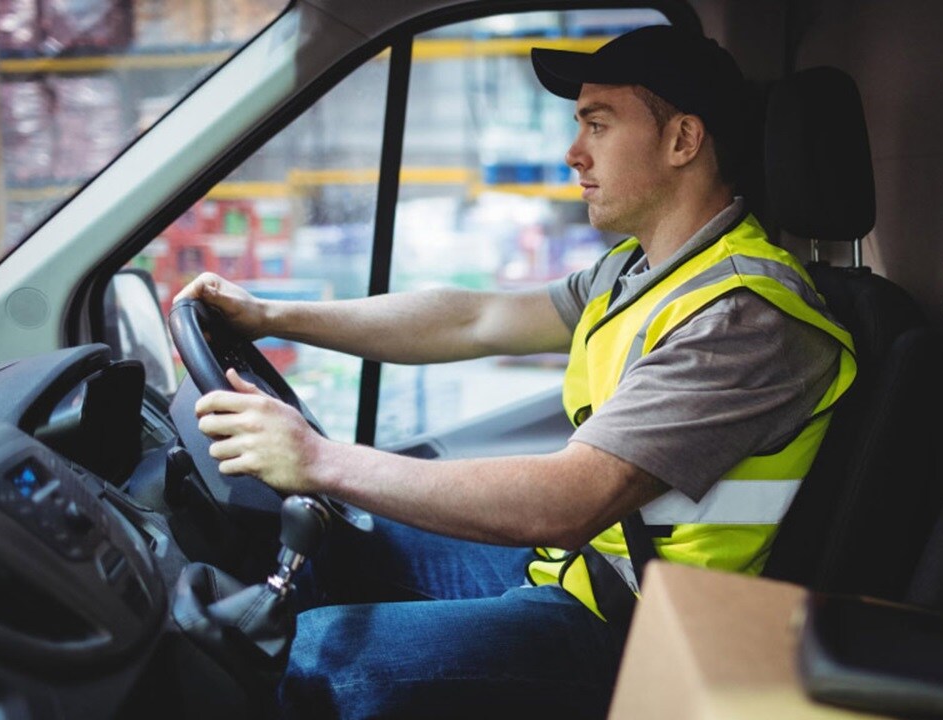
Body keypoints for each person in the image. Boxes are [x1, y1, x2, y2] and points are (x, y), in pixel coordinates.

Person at [178, 24, 856, 719]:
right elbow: (472, 319)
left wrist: (318, 458)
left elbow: (566, 503)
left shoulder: (742, 315)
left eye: (598, 125)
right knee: (337, 544)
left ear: (683, 141)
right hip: (585, 573)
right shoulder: (639, 270)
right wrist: (270, 315)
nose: (573, 153)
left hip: (645, 631)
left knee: (318, 658)